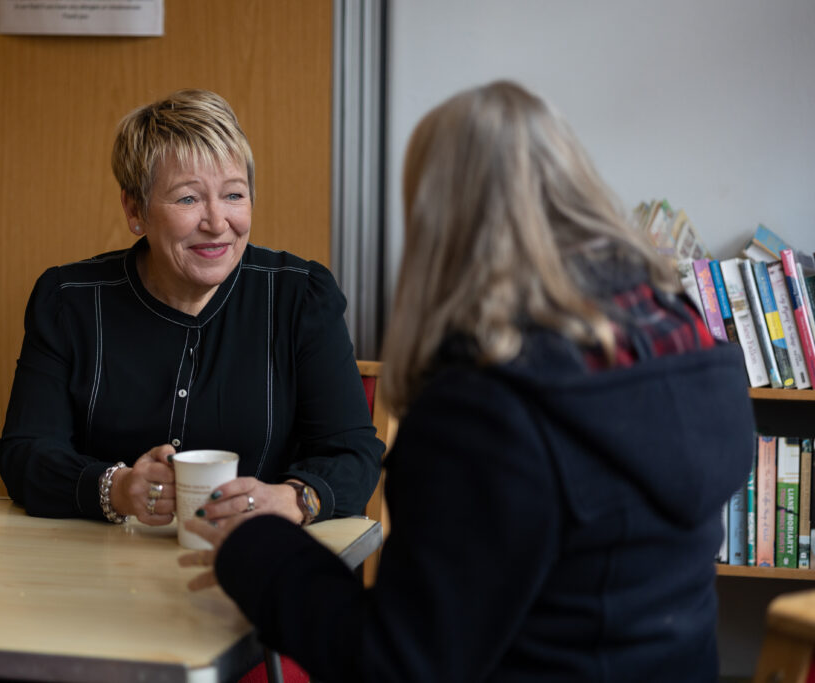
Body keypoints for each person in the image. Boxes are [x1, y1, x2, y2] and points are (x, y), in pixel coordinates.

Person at [180, 81, 756, 682]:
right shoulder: (684, 338)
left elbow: (398, 663)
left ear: (437, 218)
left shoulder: (487, 407)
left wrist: (258, 550)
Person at [0, 89, 382, 536]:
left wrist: (292, 499)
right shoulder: (69, 301)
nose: (217, 222)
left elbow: (353, 453)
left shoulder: (300, 296)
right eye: (187, 199)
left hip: (257, 563)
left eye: (234, 195)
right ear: (135, 209)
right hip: (101, 566)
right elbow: (25, 452)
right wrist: (118, 488)